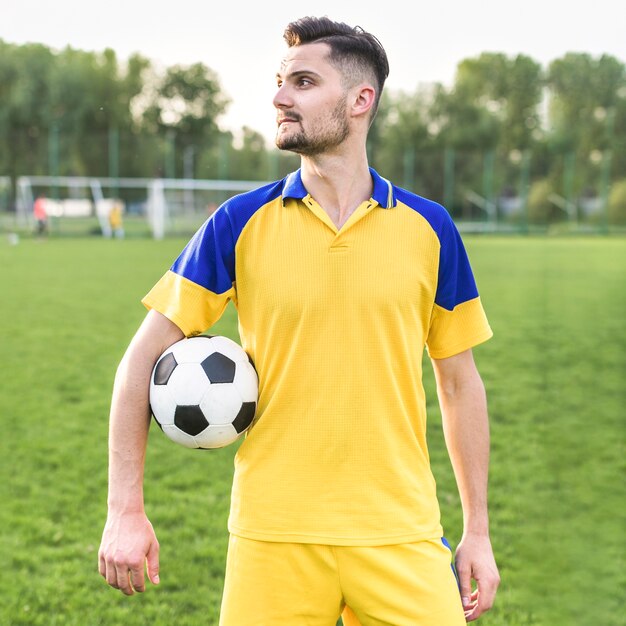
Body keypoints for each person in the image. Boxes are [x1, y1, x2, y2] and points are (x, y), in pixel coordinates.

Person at [98, 16, 500, 625]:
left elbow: (459, 382)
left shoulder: (431, 229)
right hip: (272, 535)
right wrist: (125, 508)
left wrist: (478, 532)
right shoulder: (238, 222)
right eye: (280, 82)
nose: (280, 97)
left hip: (400, 532)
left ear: (361, 100)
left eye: (304, 82)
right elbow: (140, 360)